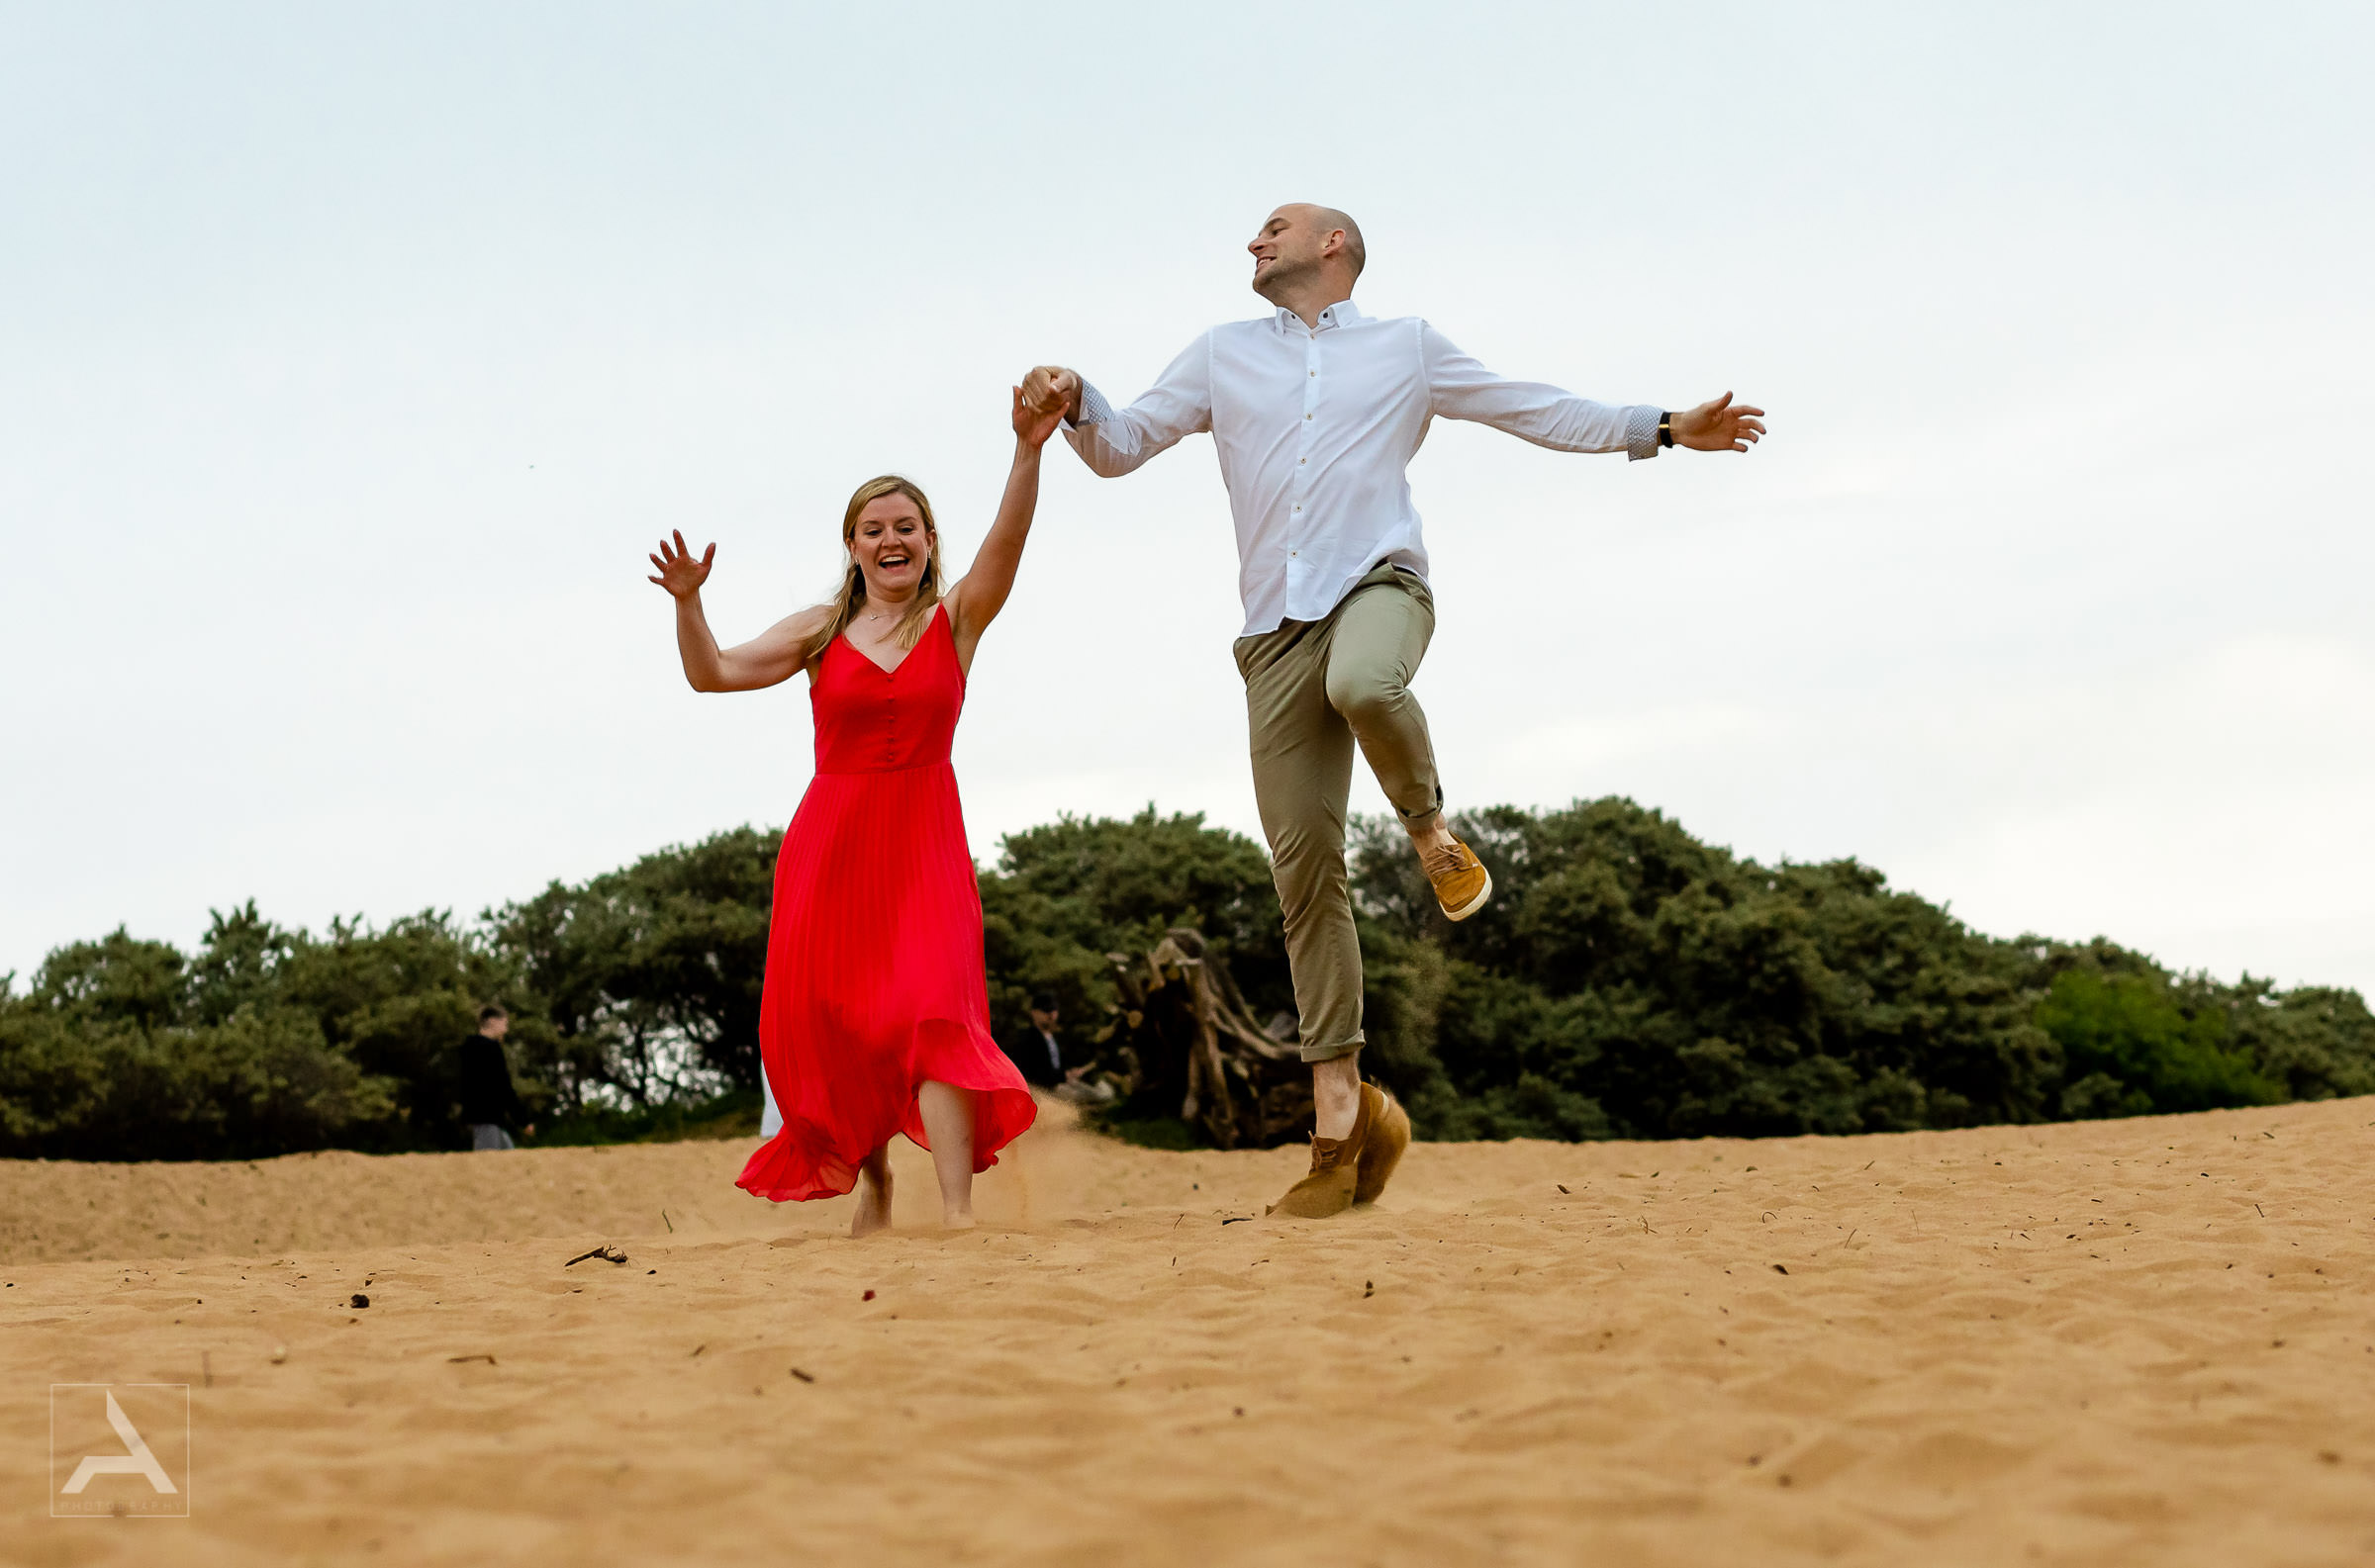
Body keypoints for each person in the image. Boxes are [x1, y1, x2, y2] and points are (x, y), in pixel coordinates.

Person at [1022, 204, 1765, 1219]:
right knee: (1304, 875)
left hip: (1378, 588)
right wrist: (1071, 397)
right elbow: (1117, 446)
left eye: (1272, 228)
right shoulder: (1220, 355)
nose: (1252, 242)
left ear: (1335, 246)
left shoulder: (1406, 348)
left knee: (1366, 684)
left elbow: (1527, 406)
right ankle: (1343, 1121)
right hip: (1271, 633)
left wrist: (1668, 428)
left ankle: (1427, 826)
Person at [646, 386, 1062, 1235]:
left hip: (925, 843)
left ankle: (956, 1211)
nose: (891, 539)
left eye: (906, 525)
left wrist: (1028, 452)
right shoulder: (819, 630)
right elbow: (712, 672)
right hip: (831, 847)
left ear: (929, 540)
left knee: (938, 1012)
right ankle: (874, 1182)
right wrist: (690, 604)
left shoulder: (955, 620)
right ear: (852, 546)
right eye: (873, 529)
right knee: (848, 1023)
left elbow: (1006, 547)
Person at [456, 1004, 533, 1152]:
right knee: (488, 1167)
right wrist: (523, 1120)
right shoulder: (490, 1048)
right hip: (486, 1119)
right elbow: (503, 1086)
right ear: (492, 1021)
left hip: (490, 1120)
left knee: (509, 1163)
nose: (506, 1029)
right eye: (505, 1024)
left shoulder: (469, 1048)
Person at [1000, 991, 1069, 1090]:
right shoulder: (1027, 1038)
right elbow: (1034, 1074)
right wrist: (1063, 1076)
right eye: (1046, 1010)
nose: (1051, 1014)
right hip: (1042, 1090)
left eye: (1053, 1010)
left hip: (1056, 1085)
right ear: (1034, 1013)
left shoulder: (1055, 1038)